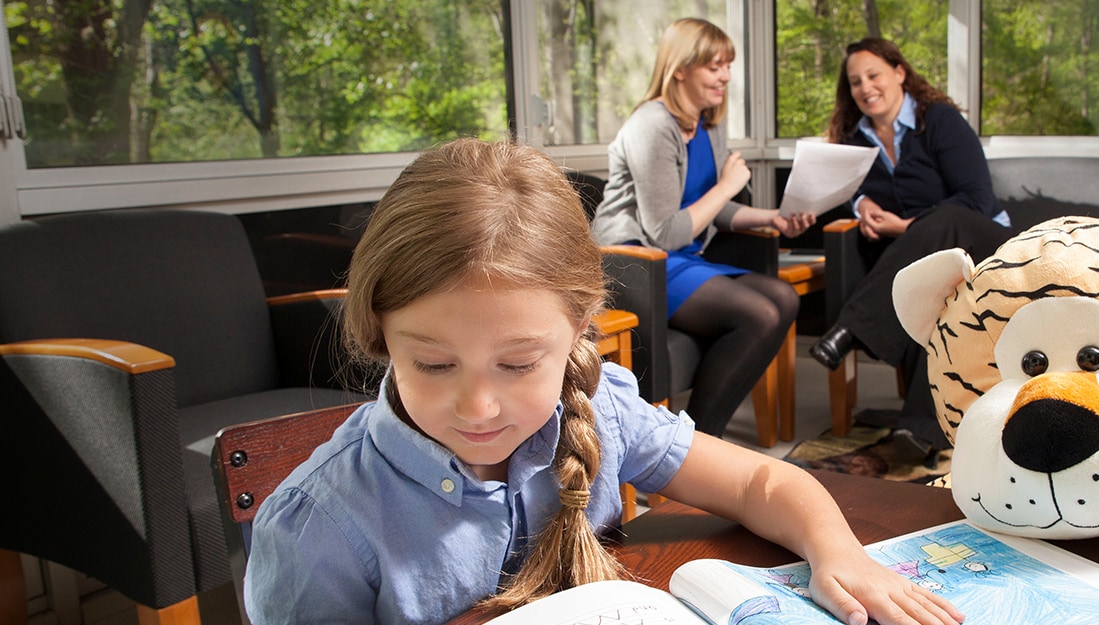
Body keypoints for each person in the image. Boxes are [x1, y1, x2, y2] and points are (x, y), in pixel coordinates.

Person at [242, 137, 964, 625]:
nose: (479, 406)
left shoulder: (601, 408)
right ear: (379, 333)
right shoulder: (318, 530)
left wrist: (837, 552)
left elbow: (760, 481)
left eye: (519, 363)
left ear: (582, 328)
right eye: (433, 364)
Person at [590, 17, 814, 436]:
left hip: (677, 257)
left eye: (728, 66)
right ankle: (696, 443)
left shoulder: (708, 123)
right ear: (680, 69)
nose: (726, 76)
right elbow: (666, 231)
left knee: (784, 298)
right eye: (715, 66)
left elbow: (708, 207)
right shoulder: (652, 125)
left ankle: (697, 439)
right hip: (635, 261)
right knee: (760, 314)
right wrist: (728, 184)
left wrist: (773, 218)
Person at [809, 37, 1013, 463]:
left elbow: (976, 199)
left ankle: (852, 327)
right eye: (855, 82)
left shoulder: (938, 120)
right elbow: (845, 190)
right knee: (939, 300)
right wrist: (861, 205)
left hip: (988, 246)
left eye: (874, 75)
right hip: (933, 262)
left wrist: (903, 226)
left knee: (947, 219)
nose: (866, 88)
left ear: (899, 73)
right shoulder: (854, 139)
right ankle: (917, 431)